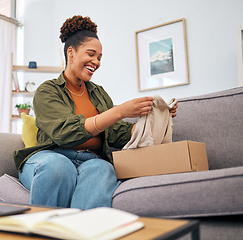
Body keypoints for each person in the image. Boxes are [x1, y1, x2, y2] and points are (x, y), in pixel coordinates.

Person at [14, 15, 178, 209]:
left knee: (103, 169)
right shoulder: (47, 91)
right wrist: (119, 111)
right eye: (91, 54)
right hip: (51, 156)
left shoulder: (98, 93)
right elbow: (64, 133)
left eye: (99, 57)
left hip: (91, 160)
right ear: (71, 53)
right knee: (59, 167)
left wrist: (154, 119)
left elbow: (116, 132)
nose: (96, 62)